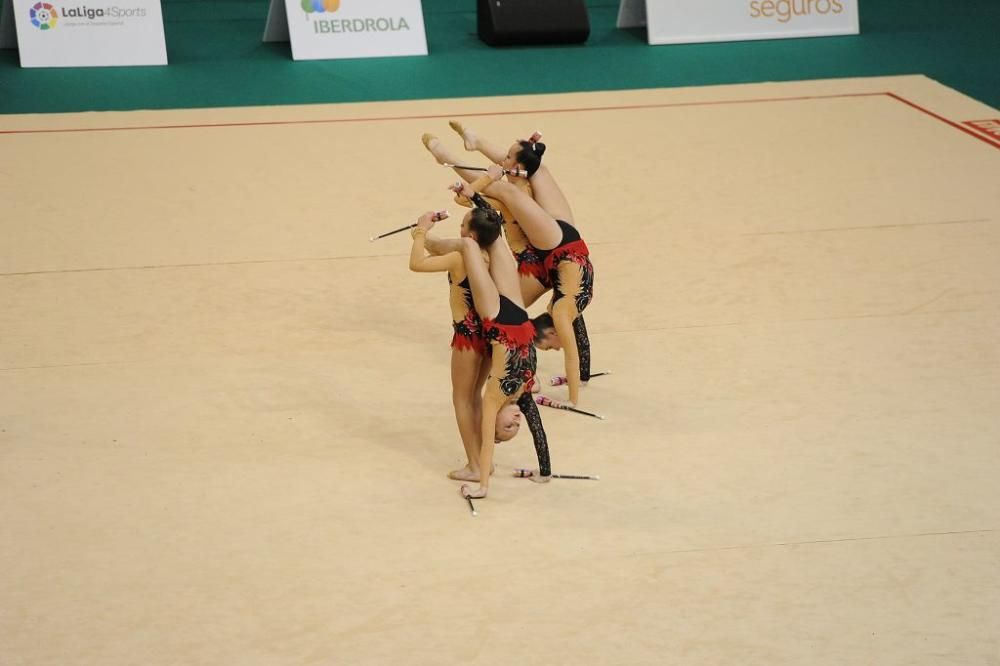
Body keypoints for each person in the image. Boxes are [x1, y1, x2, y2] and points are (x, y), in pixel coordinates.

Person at [424, 184, 554, 498]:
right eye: (514, 426)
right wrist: (545, 471)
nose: (517, 420)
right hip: (517, 313)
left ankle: (435, 232)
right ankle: (477, 207)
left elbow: (487, 447)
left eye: (507, 427)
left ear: (493, 421)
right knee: (492, 238)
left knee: (470, 248)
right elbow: (540, 433)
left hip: (496, 317)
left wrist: (482, 486)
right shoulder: (523, 389)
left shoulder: (495, 395)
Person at [463, 161, 595, 408]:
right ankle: (467, 164)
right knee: (510, 194)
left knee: (513, 193)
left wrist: (575, 390)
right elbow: (574, 348)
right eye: (549, 348)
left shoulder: (562, 307)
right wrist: (573, 398)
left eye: (549, 348)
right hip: (559, 250)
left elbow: (576, 348)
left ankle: (486, 169)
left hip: (562, 249)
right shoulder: (562, 309)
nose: (556, 349)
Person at [408, 209, 501, 482]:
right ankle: (485, 461)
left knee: (461, 398)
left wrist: (421, 232)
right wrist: (424, 230)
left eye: (462, 227)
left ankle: (474, 466)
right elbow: (439, 246)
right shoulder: (491, 256)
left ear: (471, 236)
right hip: (488, 335)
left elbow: (417, 264)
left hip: (466, 337)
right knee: (475, 397)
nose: (458, 231)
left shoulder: (460, 258)